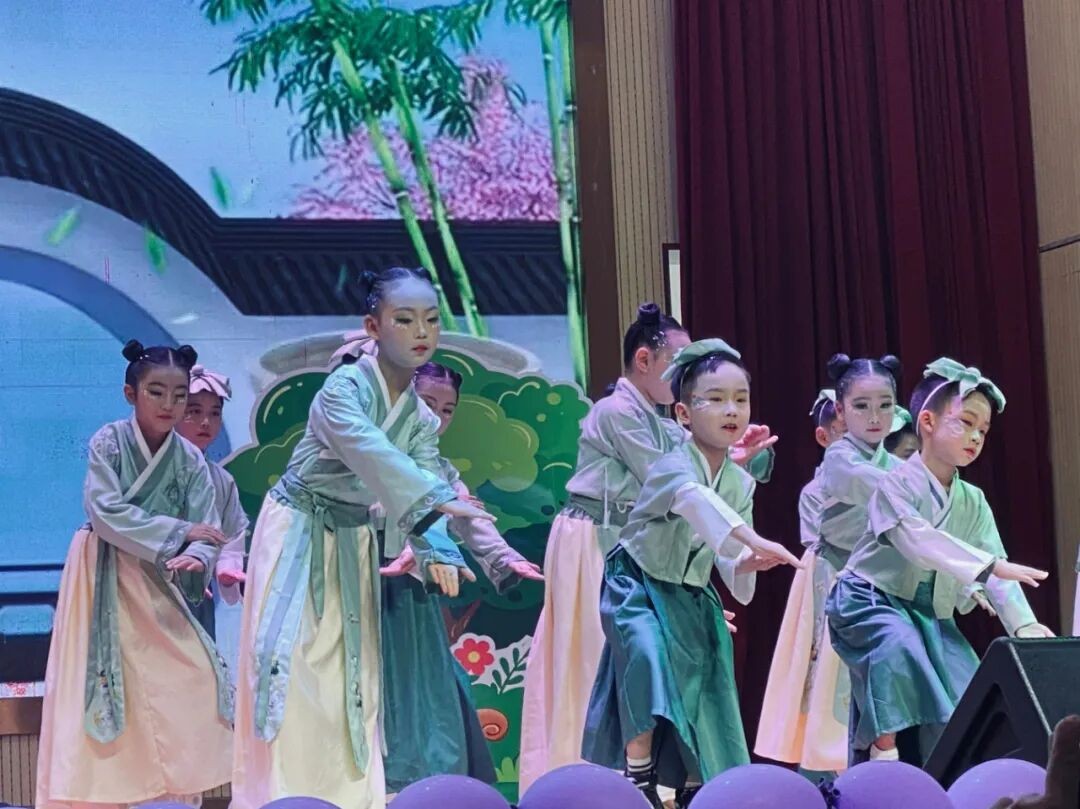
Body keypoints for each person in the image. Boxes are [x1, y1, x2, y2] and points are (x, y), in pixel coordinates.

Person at [230, 267, 490, 809]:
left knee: (354, 677)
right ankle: (281, 798)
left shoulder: (416, 413)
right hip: (299, 532)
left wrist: (438, 548)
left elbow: (422, 471)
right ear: (373, 326)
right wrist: (433, 496)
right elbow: (373, 452)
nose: (421, 332)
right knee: (293, 668)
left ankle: (349, 800)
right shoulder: (341, 391)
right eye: (404, 319)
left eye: (431, 320)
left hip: (353, 537)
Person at [518, 306, 776, 791]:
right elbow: (670, 476)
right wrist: (724, 460)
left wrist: (735, 457)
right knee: (596, 653)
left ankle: (656, 776)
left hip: (641, 543)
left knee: (640, 661)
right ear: (644, 359)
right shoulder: (615, 411)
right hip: (596, 540)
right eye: (680, 363)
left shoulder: (667, 425)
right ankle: (588, 776)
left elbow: (699, 475)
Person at [581, 338, 800, 809]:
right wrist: (753, 539)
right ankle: (638, 774)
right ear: (683, 413)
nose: (731, 410)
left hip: (690, 592)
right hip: (636, 582)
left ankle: (694, 784)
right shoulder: (672, 465)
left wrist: (745, 560)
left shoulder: (738, 481)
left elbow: (724, 553)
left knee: (704, 687)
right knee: (645, 658)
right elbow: (694, 500)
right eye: (715, 399)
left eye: (740, 399)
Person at [827, 358, 1055, 766]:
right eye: (965, 423)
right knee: (897, 647)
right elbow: (916, 539)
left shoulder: (973, 500)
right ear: (928, 422)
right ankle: (882, 752)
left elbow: (996, 568)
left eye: (983, 430)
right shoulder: (894, 484)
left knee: (969, 690)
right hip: (869, 599)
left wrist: (1024, 624)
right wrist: (986, 567)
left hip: (928, 613)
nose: (975, 437)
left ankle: (947, 777)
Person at [36, 341, 233, 809]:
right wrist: (180, 532)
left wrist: (198, 555)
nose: (169, 404)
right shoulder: (108, 442)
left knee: (190, 674)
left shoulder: (190, 460)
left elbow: (208, 528)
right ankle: (107, 792)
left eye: (179, 395)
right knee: (108, 682)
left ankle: (171, 791)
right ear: (131, 394)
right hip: (104, 569)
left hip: (159, 576)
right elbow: (104, 511)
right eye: (156, 392)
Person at [378, 361, 543, 792]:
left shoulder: (441, 468)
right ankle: (385, 780)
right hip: (368, 579)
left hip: (415, 587)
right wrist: (432, 516)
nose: (436, 417)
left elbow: (471, 520)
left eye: (447, 409)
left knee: (429, 684)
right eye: (427, 403)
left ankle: (434, 783)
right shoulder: (371, 452)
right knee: (382, 683)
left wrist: (505, 558)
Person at [755, 388, 849, 774]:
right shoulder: (815, 491)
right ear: (823, 437)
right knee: (824, 671)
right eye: (844, 432)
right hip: (827, 579)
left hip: (864, 575)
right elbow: (822, 541)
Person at [175, 366, 248, 647]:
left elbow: (231, 535)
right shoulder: (151, 469)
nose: (205, 422)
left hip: (197, 589)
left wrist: (227, 569)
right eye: (194, 411)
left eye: (214, 413)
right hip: (149, 587)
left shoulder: (221, 480)